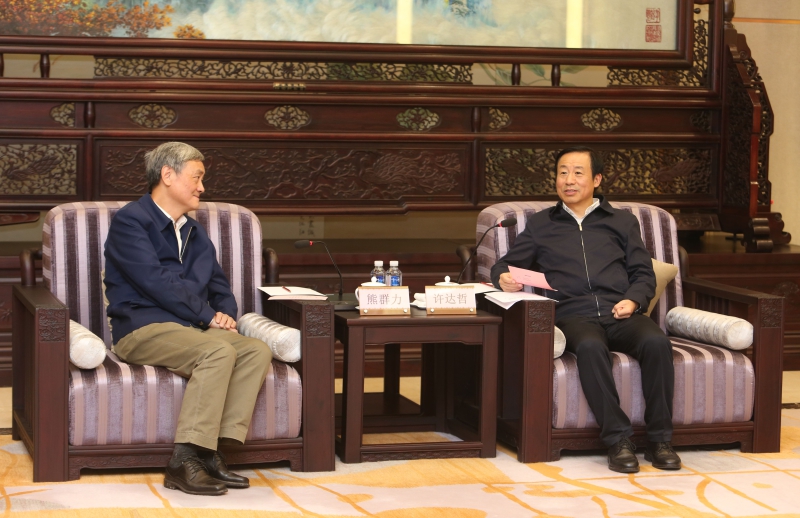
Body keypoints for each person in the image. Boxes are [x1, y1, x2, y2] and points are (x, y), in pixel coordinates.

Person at [490, 146, 680, 473]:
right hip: (573, 314)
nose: (569, 180)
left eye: (578, 173)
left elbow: (642, 272)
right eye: (562, 172)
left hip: (621, 311)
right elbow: (505, 265)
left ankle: (660, 440)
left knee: (657, 342)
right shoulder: (542, 224)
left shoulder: (622, 222)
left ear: (597, 179)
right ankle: (618, 440)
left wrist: (634, 300)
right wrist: (502, 277)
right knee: (591, 347)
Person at [104, 142, 273, 495]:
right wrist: (207, 315)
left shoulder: (194, 232)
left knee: (255, 350)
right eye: (196, 177)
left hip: (189, 328)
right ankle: (183, 461)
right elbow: (155, 282)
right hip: (142, 327)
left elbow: (218, 284)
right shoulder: (131, 222)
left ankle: (210, 454)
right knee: (217, 351)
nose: (202, 187)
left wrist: (225, 314)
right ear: (168, 175)